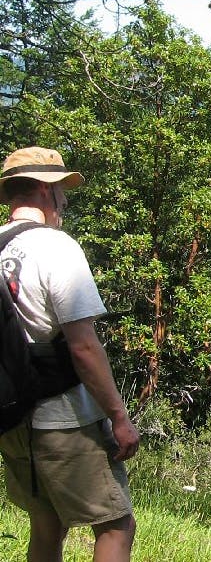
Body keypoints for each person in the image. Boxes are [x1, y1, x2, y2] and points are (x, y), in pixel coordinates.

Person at [0, 146, 139, 562]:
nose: (64, 200)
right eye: (61, 190)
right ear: (46, 191)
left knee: (46, 521)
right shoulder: (56, 247)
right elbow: (82, 345)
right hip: (62, 417)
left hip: (11, 411)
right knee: (116, 524)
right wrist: (118, 415)